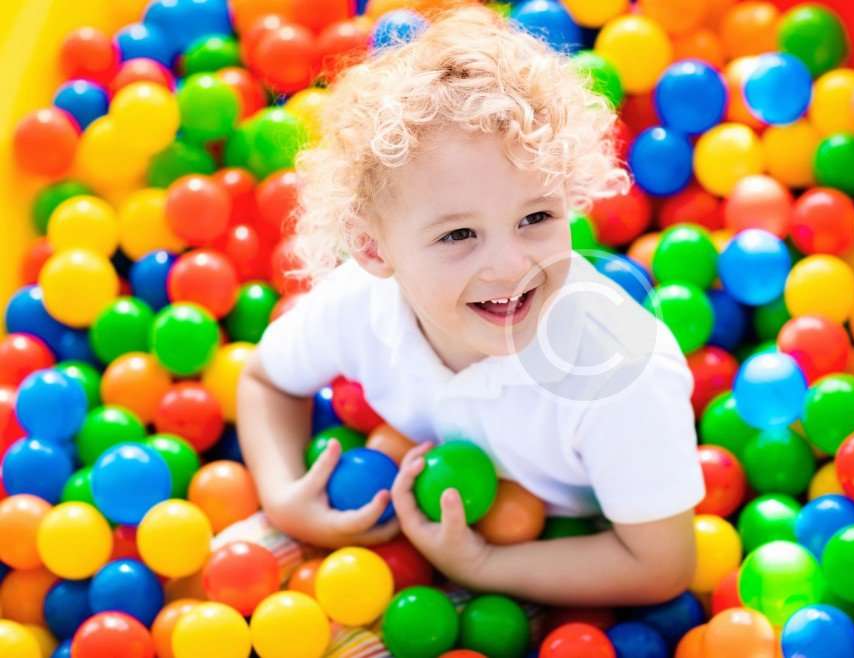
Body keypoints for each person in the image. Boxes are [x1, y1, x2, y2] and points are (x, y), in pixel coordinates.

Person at [237, 4, 704, 608]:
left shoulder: (615, 368)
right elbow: (264, 380)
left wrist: (483, 566)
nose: (510, 265)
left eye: (535, 218)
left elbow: (662, 564)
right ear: (374, 248)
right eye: (458, 235)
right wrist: (283, 496)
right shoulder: (361, 302)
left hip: (564, 559)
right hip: (397, 524)